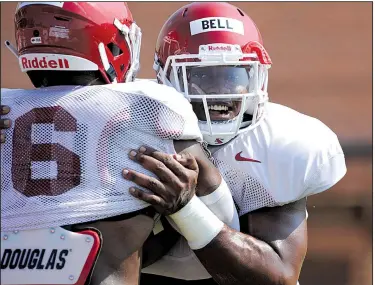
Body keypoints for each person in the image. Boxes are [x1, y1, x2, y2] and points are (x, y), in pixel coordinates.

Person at [0, 2, 238, 285]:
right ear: (110, 43)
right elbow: (223, 222)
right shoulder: (148, 106)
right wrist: (182, 210)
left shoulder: (5, 108)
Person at [123, 2, 347, 285]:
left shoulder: (278, 142)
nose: (221, 93)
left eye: (233, 76)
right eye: (202, 76)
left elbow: (278, 277)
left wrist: (186, 209)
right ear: (165, 77)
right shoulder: (133, 127)